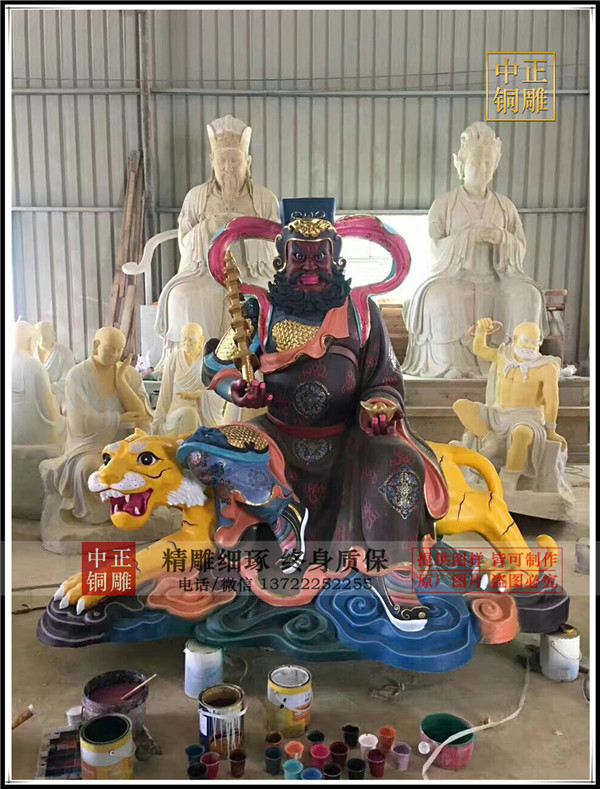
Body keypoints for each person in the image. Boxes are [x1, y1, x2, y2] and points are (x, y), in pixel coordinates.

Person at [178, 198, 450, 631]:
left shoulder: (361, 312)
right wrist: (238, 389)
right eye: (298, 255)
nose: (309, 265)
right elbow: (217, 367)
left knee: (400, 462)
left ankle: (394, 576)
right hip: (278, 437)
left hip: (348, 438)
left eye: (319, 255)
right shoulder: (258, 311)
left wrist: (379, 405)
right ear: (281, 259)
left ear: (335, 258)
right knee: (206, 451)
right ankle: (271, 532)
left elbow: (384, 377)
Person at [402, 121, 548, 379]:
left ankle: (515, 362)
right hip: (455, 279)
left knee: (528, 295)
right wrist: (468, 238)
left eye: (488, 163)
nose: (482, 168)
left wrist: (502, 239)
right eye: (476, 162)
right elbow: (434, 249)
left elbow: (520, 246)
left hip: (497, 280)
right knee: (439, 297)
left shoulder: (506, 207)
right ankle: (450, 365)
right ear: (460, 165)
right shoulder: (444, 205)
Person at [153, 115, 280, 368]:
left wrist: (243, 230)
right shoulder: (196, 198)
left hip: (252, 272)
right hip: (204, 272)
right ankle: (193, 365)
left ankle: (259, 365)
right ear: (212, 162)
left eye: (235, 160)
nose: (228, 167)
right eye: (222, 161)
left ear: (248, 162)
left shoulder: (265, 199)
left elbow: (275, 241)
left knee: (266, 297)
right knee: (182, 295)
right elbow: (184, 242)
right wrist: (208, 227)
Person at [40, 327, 152, 523]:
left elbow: (142, 415)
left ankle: (131, 512)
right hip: (90, 445)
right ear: (96, 346)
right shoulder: (77, 376)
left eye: (119, 350)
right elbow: (79, 421)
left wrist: (121, 382)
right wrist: (118, 419)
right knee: (91, 468)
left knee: (145, 465)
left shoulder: (129, 374)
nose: (115, 354)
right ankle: (101, 516)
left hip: (125, 444)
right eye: (109, 349)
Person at [453, 317, 567, 493]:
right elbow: (479, 349)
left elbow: (552, 400)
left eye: (535, 342)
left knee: (522, 434)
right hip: (498, 413)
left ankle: (509, 479)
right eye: (525, 341)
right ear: (514, 339)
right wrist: (481, 331)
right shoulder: (502, 356)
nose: (530, 347)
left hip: (527, 417)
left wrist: (551, 429)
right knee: (461, 405)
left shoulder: (546, 367)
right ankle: (492, 441)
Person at [152, 323, 234, 435]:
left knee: (191, 413)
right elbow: (165, 394)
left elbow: (220, 394)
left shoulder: (208, 362)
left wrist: (198, 395)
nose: (187, 343)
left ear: (201, 340)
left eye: (191, 340)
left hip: (203, 416)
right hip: (175, 414)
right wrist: (158, 421)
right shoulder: (173, 359)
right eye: (184, 339)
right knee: (189, 413)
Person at [12, 320, 65, 446]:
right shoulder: (35, 366)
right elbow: (49, 410)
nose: (37, 344)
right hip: (30, 431)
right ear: (30, 341)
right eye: (36, 340)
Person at [34, 321, 75, 413]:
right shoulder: (31, 353)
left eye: (45, 336)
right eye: (39, 336)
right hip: (36, 395)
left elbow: (68, 379)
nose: (42, 340)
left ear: (53, 335)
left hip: (59, 394)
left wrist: (49, 388)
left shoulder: (64, 353)